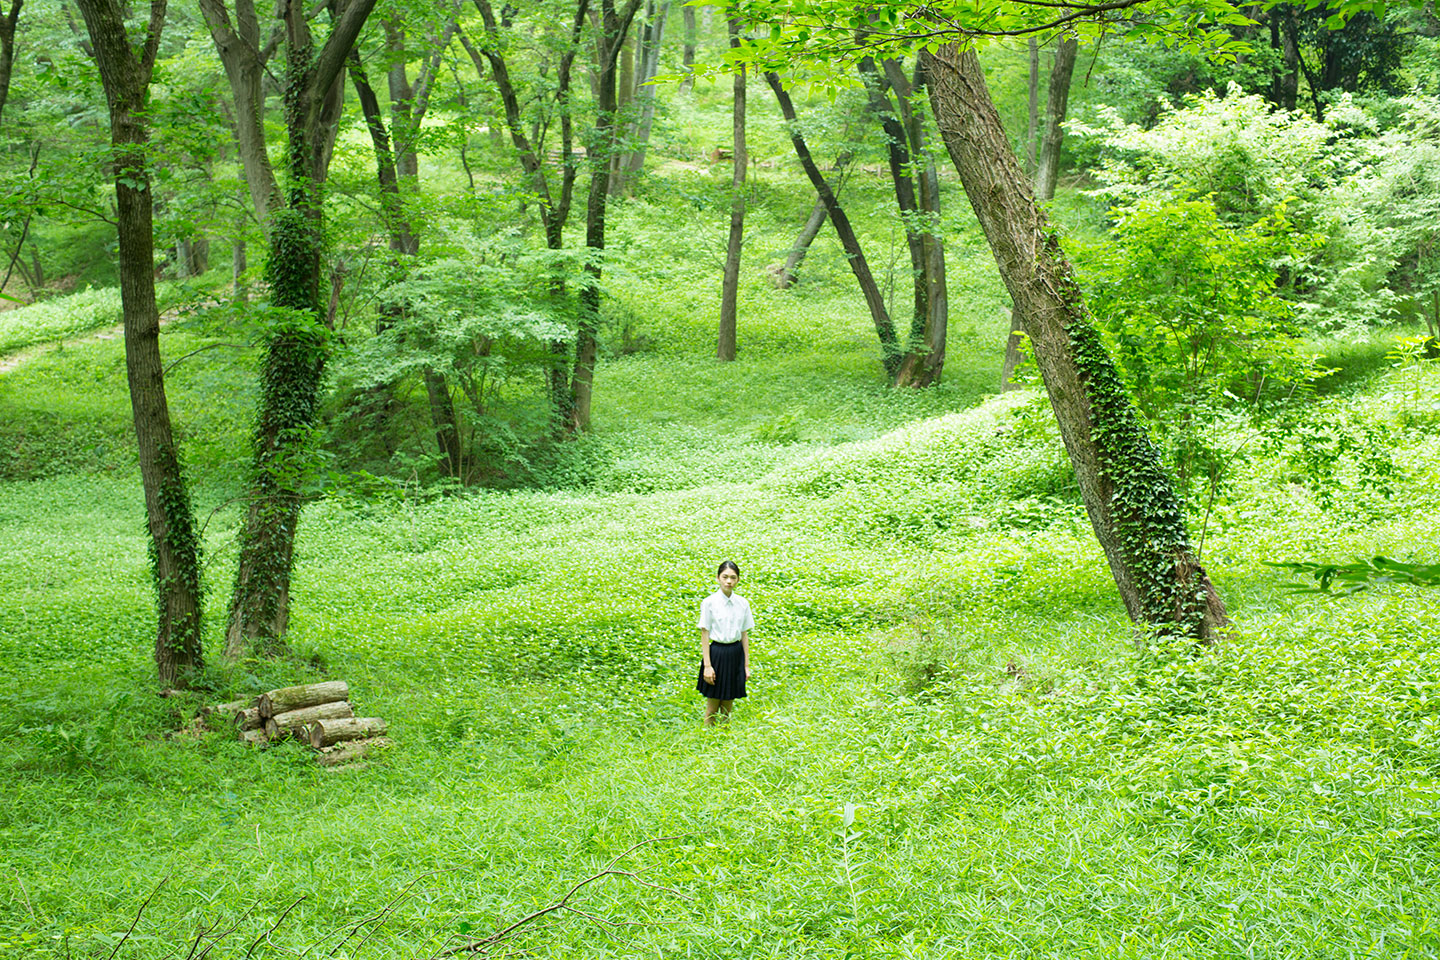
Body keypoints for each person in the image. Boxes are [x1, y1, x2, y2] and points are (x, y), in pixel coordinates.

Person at [696, 560, 753, 725]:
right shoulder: (709, 602)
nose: (729, 581)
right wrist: (708, 665)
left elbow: (744, 634)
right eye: (725, 577)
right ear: (718, 578)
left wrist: (746, 665)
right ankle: (707, 739)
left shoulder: (742, 603)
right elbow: (705, 633)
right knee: (713, 705)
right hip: (717, 654)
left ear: (738, 580)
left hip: (735, 653)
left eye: (733, 577)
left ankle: (725, 738)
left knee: (728, 704)